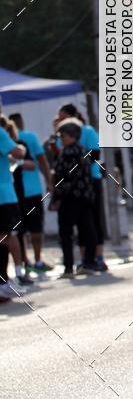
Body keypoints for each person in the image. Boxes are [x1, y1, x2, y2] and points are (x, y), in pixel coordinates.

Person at [56, 105, 107, 271]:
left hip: (89, 181)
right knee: (83, 225)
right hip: (81, 185)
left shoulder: (86, 132)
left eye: (62, 116)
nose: (59, 120)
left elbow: (96, 155)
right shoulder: (61, 134)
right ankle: (86, 259)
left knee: (92, 222)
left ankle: (96, 257)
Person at [50, 119, 98, 278]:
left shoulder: (69, 152)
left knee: (66, 233)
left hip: (70, 198)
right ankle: (89, 263)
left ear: (71, 136)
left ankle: (69, 268)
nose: (60, 139)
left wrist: (57, 196)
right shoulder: (83, 150)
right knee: (88, 229)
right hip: (85, 197)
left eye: (62, 135)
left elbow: (65, 177)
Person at [9, 113, 54, 274]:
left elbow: (38, 161)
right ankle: (36, 260)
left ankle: (27, 262)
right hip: (28, 192)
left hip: (16, 194)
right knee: (31, 229)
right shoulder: (22, 139)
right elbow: (41, 161)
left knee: (21, 230)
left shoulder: (21, 140)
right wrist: (49, 181)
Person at [0, 115, 33, 301]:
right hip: (4, 195)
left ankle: (5, 280)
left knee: (4, 236)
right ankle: (15, 275)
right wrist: (19, 147)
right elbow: (19, 153)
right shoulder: (0, 133)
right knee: (7, 236)